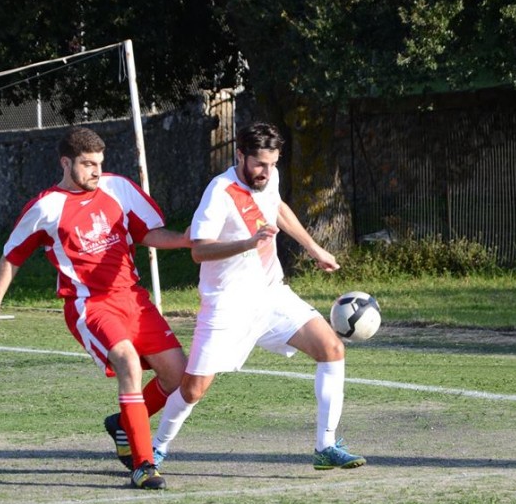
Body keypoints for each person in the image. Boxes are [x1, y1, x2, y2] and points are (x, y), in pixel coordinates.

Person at [0, 126, 188, 490]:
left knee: (178, 375)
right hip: (90, 305)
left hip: (133, 298)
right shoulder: (46, 207)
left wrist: (185, 240)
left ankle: (123, 424)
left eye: (100, 163)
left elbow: (147, 233)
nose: (96, 172)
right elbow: (12, 255)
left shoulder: (118, 188)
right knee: (127, 362)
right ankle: (143, 464)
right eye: (88, 164)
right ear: (66, 162)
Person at [151, 121, 366, 470]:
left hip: (271, 295)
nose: (266, 172)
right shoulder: (219, 192)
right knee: (193, 389)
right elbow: (199, 251)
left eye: (273, 164)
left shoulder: (270, 177)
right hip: (226, 304)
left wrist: (314, 249)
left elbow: (278, 208)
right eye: (259, 165)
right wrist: (247, 244)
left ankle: (325, 446)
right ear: (240, 155)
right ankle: (156, 446)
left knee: (331, 348)